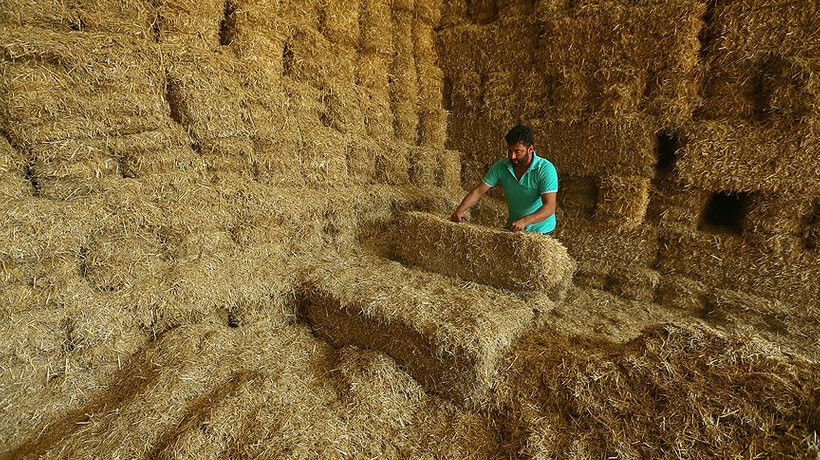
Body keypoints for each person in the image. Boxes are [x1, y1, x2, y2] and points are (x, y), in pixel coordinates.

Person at [450, 125, 558, 233]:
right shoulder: (501, 166)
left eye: (517, 151)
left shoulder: (545, 169)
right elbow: (478, 191)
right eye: (509, 151)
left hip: (541, 231)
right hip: (515, 228)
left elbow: (549, 207)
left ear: (530, 149)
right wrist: (459, 211)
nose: (512, 156)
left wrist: (524, 221)